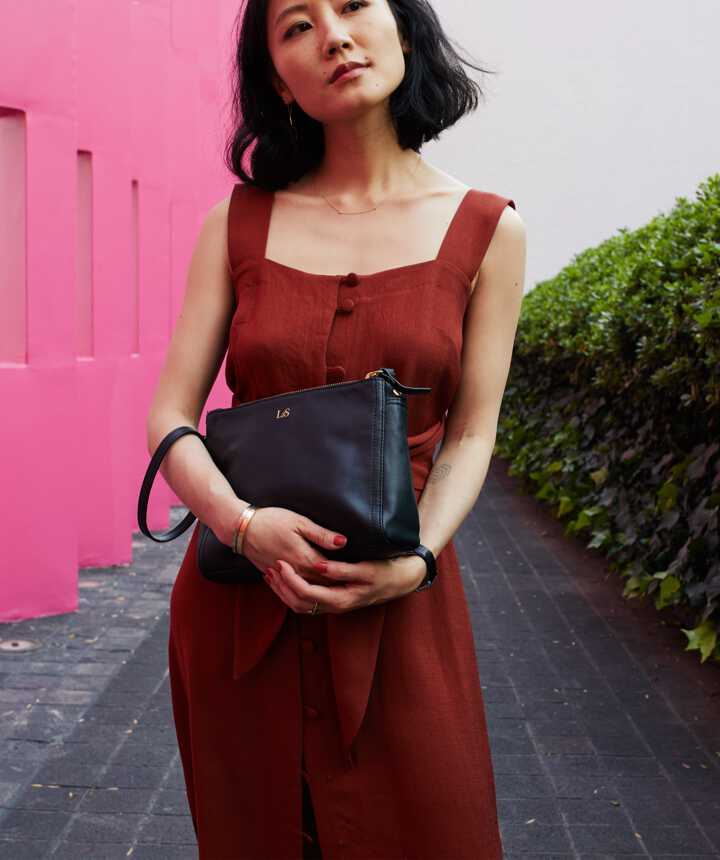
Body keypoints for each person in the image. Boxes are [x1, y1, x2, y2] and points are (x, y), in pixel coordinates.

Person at [146, 0, 526, 856]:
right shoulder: (237, 223)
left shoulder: (488, 229)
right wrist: (243, 525)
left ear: (405, 31)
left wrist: (415, 562)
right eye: (297, 26)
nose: (334, 36)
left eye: (353, 6)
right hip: (239, 605)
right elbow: (170, 415)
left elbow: (472, 434)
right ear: (279, 82)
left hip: (401, 606)